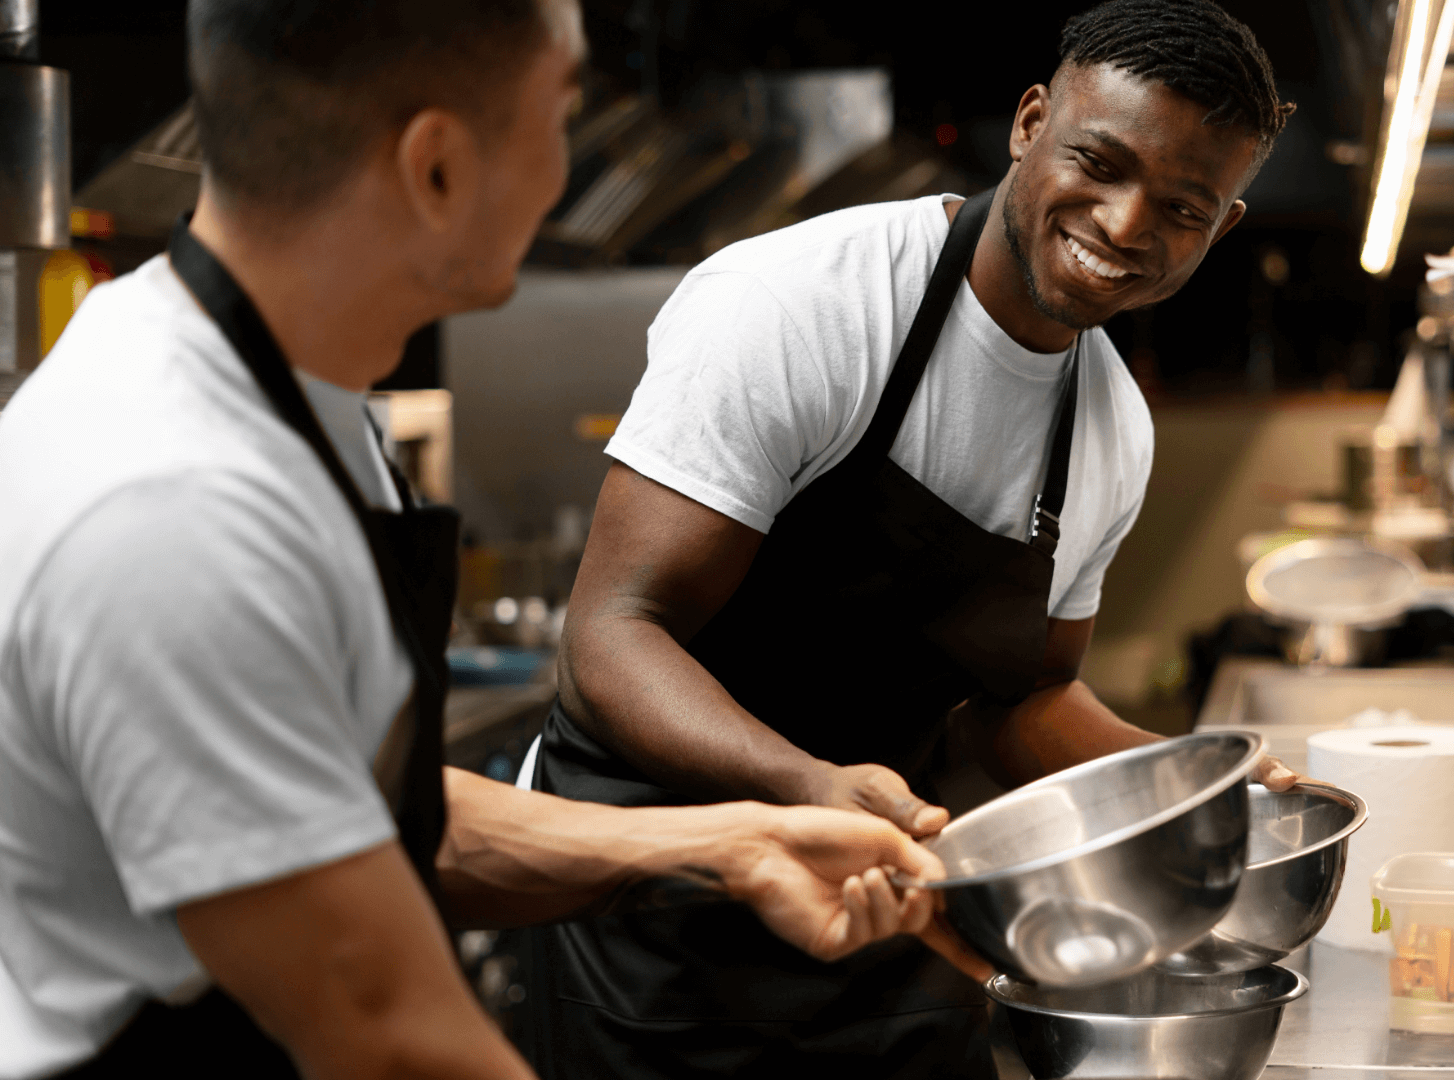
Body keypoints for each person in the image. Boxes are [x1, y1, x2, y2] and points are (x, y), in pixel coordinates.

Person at [0, 2, 948, 1078]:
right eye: (560, 113)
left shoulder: (302, 410)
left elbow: (370, 818)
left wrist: (731, 843)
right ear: (438, 166)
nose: (565, 162)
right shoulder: (173, 504)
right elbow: (384, 1030)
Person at [522, 1, 1298, 1076]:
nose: (1126, 224)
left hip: (887, 913)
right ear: (1031, 123)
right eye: (1100, 162)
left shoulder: (1113, 427)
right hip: (658, 918)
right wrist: (807, 786)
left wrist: (1200, 784)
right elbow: (612, 634)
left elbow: (1016, 705)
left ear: (1224, 227)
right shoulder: (799, 307)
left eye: (1182, 206)